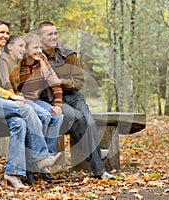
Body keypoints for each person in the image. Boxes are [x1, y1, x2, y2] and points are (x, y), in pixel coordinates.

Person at [0, 19, 61, 189]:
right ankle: (41, 156)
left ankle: (13, 173)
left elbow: (4, 81)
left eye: (7, 33)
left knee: (19, 124)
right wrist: (10, 96)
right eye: (1, 32)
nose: (5, 35)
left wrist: (14, 94)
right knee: (25, 109)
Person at [37, 21, 114, 180]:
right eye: (49, 34)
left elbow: (79, 82)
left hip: (73, 96)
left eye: (55, 33)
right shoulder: (35, 55)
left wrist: (61, 82)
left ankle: (94, 155)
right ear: (40, 37)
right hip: (52, 100)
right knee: (77, 118)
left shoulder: (68, 54)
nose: (54, 37)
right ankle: (99, 167)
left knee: (90, 122)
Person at [0, 34, 63, 184]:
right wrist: (16, 99)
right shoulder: (18, 64)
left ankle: (46, 161)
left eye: (40, 47)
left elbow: (55, 83)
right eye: (35, 48)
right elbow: (10, 86)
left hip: (37, 100)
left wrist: (58, 105)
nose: (39, 50)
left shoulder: (42, 61)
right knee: (44, 116)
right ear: (25, 50)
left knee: (57, 117)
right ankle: (32, 164)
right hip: (22, 98)